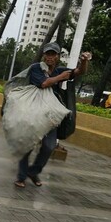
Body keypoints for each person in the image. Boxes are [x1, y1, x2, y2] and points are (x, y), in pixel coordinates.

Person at [14, 42, 91, 188]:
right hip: (34, 112)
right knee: (28, 145)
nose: (50, 57)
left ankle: (34, 171)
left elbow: (79, 72)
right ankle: (21, 176)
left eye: (53, 54)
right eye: (47, 54)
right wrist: (60, 77)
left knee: (49, 147)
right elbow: (44, 84)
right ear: (44, 55)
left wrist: (84, 61)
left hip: (50, 115)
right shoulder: (36, 68)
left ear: (57, 57)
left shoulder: (59, 70)